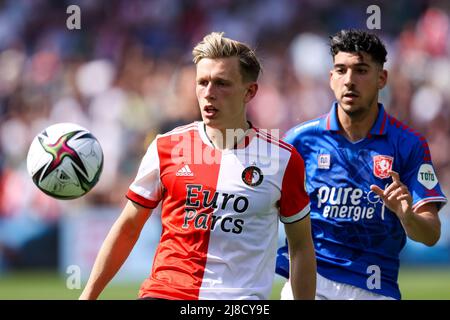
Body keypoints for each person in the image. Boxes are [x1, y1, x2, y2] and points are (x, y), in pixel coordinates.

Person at [79, 32, 316, 300]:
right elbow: (128, 227)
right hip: (166, 293)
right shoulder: (165, 147)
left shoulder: (282, 160)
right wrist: (88, 296)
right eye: (202, 82)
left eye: (221, 83)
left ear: (249, 91)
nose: (208, 93)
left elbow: (301, 248)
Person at [276, 29, 447, 300]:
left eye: (361, 70)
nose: (350, 81)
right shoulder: (299, 141)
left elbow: (430, 234)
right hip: (311, 282)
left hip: (376, 288)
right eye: (341, 70)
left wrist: (407, 216)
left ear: (382, 78)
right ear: (331, 78)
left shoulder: (408, 145)